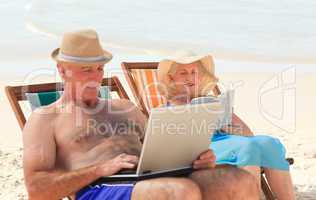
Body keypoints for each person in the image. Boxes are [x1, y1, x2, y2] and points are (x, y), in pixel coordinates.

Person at [22, 30, 259, 200]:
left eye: (99, 68)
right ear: (62, 71)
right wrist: (99, 169)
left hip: (151, 179)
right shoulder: (45, 119)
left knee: (237, 179)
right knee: (179, 192)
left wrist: (196, 160)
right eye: (86, 70)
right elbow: (37, 190)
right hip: (99, 188)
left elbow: (161, 151)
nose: (96, 76)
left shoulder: (125, 107)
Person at [157, 52, 295, 200]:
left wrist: (224, 124)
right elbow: (171, 144)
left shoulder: (212, 102)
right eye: (183, 73)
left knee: (270, 143)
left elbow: (248, 134)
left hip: (229, 140)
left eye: (194, 72)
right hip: (204, 149)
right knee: (248, 147)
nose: (190, 77)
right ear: (171, 78)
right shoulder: (170, 108)